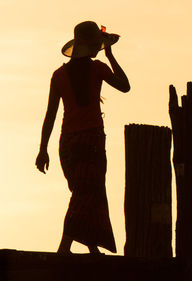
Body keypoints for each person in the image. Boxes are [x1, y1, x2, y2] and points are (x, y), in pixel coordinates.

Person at [35, 21, 130, 254]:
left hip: (67, 144)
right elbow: (125, 86)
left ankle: (92, 247)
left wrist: (43, 149)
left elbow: (50, 115)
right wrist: (111, 56)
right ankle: (64, 246)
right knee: (87, 192)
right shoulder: (98, 68)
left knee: (86, 192)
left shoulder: (59, 75)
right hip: (90, 140)